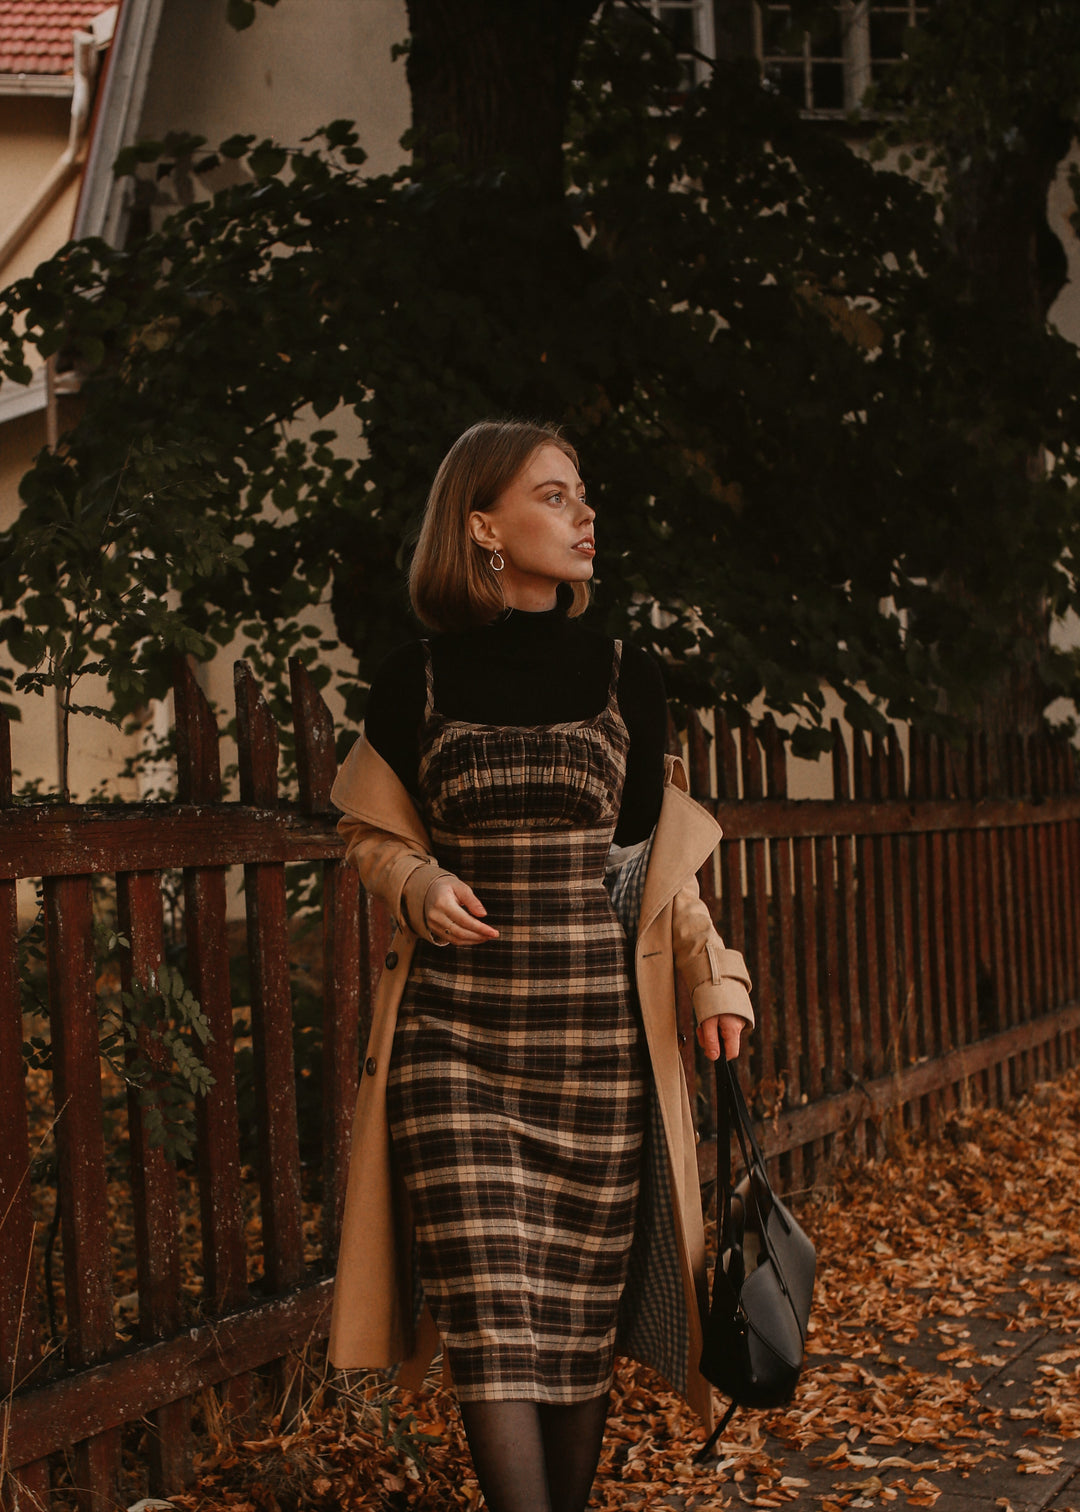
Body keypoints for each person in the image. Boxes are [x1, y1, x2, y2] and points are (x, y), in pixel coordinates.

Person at [327, 420, 754, 1512]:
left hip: (597, 1056)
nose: (585, 517)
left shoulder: (626, 674)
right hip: (454, 1054)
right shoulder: (412, 680)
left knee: (569, 1334)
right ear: (482, 525)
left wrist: (716, 983)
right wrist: (417, 887)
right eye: (556, 497)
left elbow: (657, 876)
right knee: (488, 1326)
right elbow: (372, 839)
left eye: (582, 498)